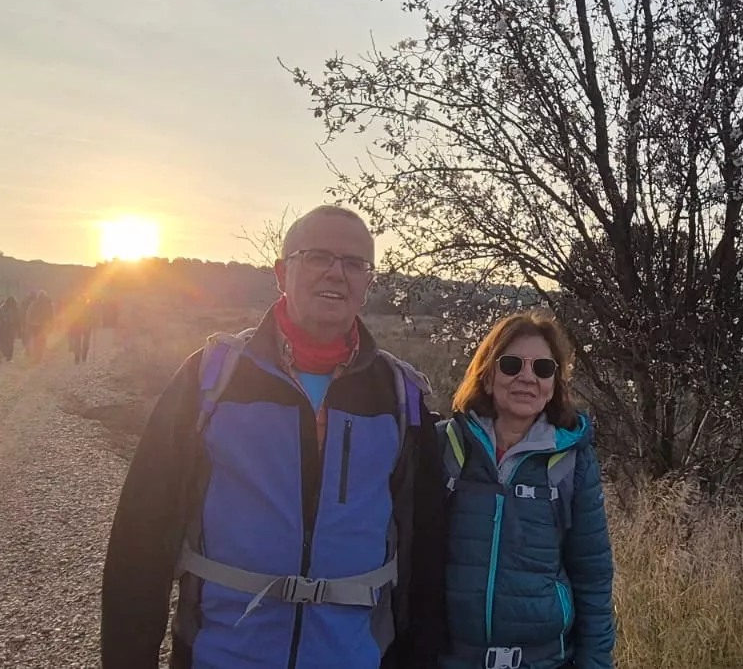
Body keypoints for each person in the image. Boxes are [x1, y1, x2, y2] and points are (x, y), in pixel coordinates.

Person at [100, 205, 448, 669]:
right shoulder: (210, 378)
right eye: (318, 256)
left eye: (354, 263)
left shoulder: (400, 397)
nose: (336, 272)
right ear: (282, 273)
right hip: (221, 657)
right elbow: (140, 539)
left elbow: (422, 554)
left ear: (367, 284)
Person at [437, 310, 615, 669]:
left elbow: (593, 576)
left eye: (543, 369)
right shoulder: (443, 446)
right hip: (452, 658)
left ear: (554, 385)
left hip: (544, 661)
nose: (527, 378)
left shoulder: (572, 462)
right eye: (512, 364)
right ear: (487, 375)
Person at [67, 294, 95, 364]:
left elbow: (72, 316)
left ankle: (77, 356)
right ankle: (84, 356)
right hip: (86, 326)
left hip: (78, 326)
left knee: (77, 341)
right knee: (85, 341)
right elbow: (92, 316)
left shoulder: (76, 307)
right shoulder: (88, 307)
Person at [0, 296, 20, 362]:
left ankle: (3, 355)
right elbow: (17, 320)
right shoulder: (11, 310)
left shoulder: (0, 309)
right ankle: (6, 356)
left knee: (2, 342)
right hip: (6, 329)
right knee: (8, 342)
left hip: (2, 329)